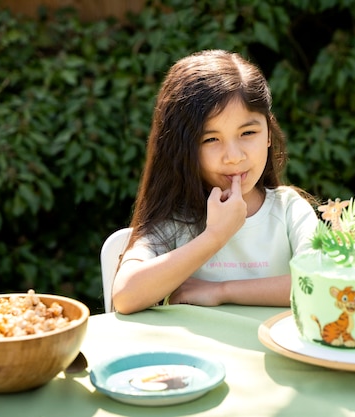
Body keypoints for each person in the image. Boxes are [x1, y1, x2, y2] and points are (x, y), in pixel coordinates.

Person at [112, 50, 318, 314]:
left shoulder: (289, 209)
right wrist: (215, 236)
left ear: (268, 134)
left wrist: (220, 291)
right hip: (197, 356)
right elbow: (125, 296)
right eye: (210, 139)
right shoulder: (175, 220)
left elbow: (317, 284)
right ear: (183, 148)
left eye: (248, 132)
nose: (234, 156)